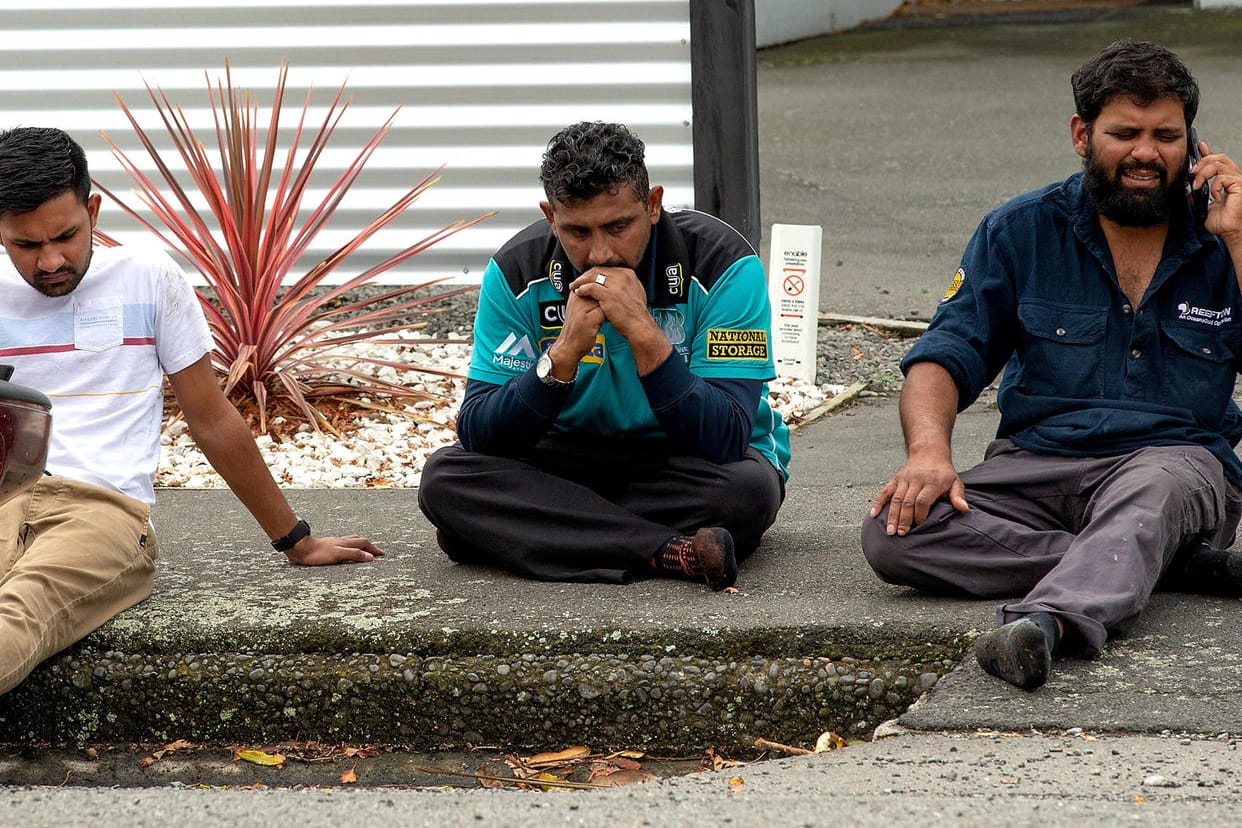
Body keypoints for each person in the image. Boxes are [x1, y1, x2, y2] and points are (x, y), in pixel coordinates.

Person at [861, 40, 1242, 691]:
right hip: (1036, 465)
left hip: (1174, 462)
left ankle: (1048, 623)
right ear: (1081, 134)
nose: (1146, 153)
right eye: (1124, 133)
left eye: (1166, 136)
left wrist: (1237, 241)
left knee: (1153, 490)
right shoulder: (1019, 232)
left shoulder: (1225, 236)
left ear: (1194, 143)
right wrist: (928, 453)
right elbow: (944, 356)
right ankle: (1152, 562)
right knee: (893, 532)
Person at [0, 126, 383, 696]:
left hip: (103, 510)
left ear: (94, 210)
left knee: (19, 612)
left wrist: (296, 540)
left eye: (65, 236)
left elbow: (211, 418)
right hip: (6, 497)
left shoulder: (148, 277)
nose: (50, 260)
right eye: (25, 245)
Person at [418, 121, 789, 590]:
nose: (599, 253)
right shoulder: (515, 271)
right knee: (444, 478)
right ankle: (670, 552)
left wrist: (646, 336)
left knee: (746, 494)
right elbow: (479, 433)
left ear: (652, 205)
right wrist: (561, 357)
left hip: (680, 462)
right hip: (568, 459)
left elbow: (727, 436)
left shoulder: (724, 265)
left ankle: (526, 531)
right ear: (550, 217)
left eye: (618, 227)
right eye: (577, 231)